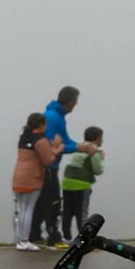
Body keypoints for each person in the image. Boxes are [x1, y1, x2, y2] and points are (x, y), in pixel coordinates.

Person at [36, 84, 83, 249]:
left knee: (42, 202)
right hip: (47, 167)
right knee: (53, 202)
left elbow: (66, 140)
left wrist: (82, 146)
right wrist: (78, 148)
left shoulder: (58, 116)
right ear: (69, 101)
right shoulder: (53, 117)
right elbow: (52, 145)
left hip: (51, 167)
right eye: (75, 101)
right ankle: (53, 236)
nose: (76, 105)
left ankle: (34, 234)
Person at [10, 111, 57, 251]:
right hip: (32, 177)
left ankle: (18, 239)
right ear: (42, 124)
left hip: (18, 176)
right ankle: (25, 241)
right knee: (28, 209)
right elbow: (48, 160)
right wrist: (55, 149)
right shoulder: (40, 139)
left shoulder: (24, 137)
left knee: (20, 209)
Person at [60, 124, 105, 232]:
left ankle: (66, 237)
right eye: (101, 138)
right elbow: (98, 170)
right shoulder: (94, 152)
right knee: (82, 213)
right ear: (97, 139)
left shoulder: (79, 147)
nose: (102, 141)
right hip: (81, 185)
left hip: (66, 183)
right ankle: (84, 238)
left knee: (67, 211)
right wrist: (101, 158)